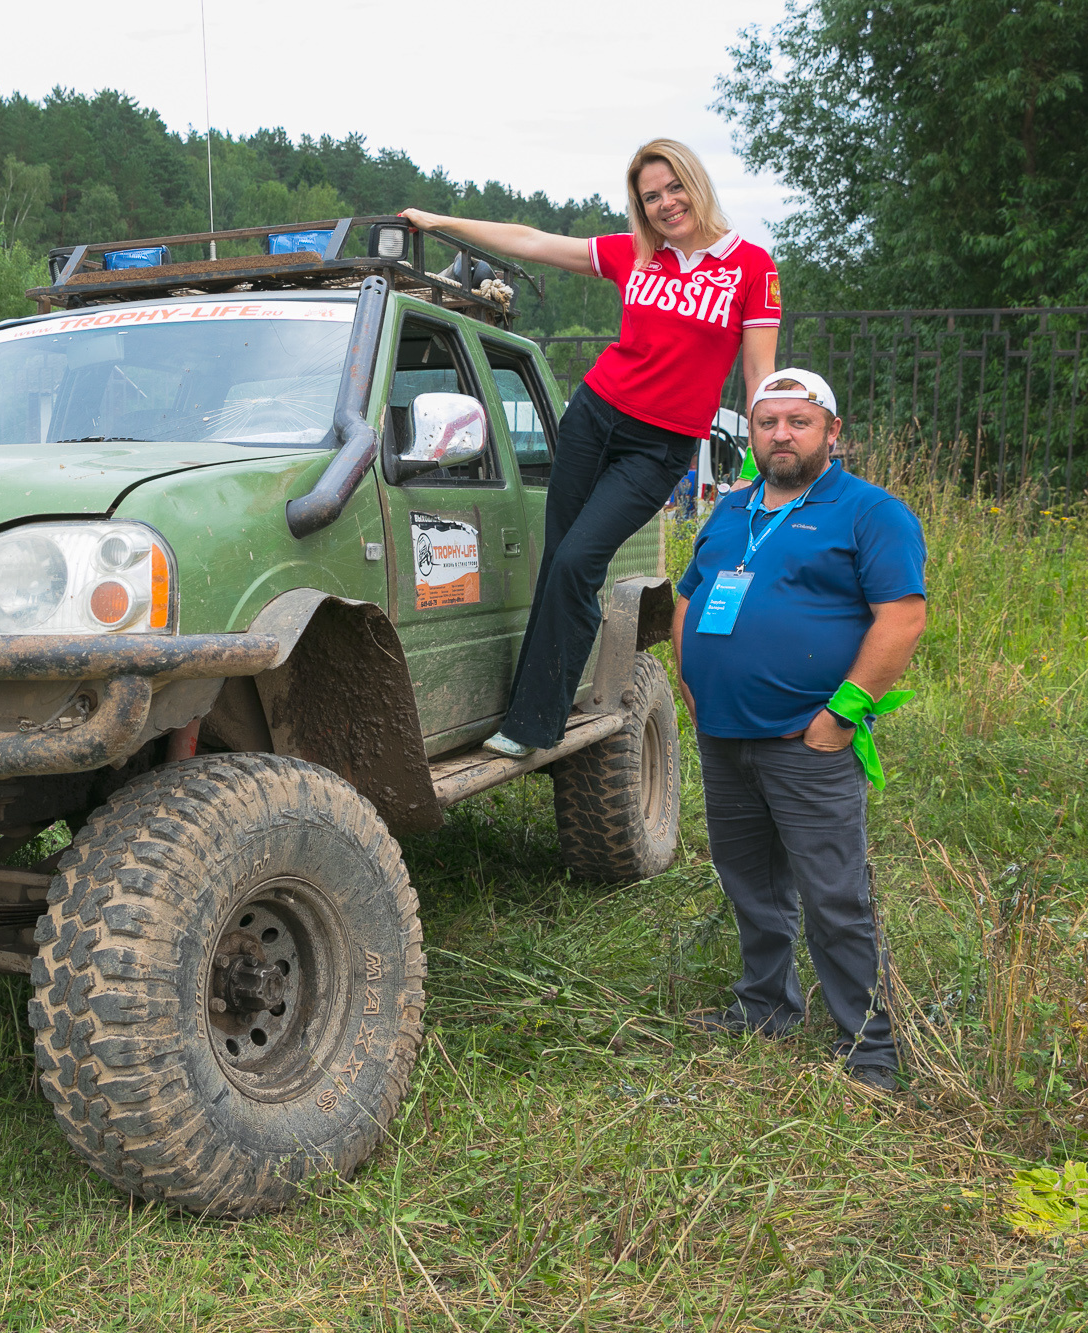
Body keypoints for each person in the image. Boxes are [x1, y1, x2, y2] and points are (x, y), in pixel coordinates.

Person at [401, 138, 779, 758]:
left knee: (580, 561)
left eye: (673, 188)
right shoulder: (636, 255)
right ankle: (526, 714)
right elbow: (533, 242)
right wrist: (442, 223)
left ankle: (534, 725)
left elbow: (759, 377)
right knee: (557, 562)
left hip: (659, 447)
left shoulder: (752, 267)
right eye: (650, 197)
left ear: (696, 183)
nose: (665, 204)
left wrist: (757, 467)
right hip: (593, 415)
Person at [669, 369, 928, 1091]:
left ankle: (870, 1050)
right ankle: (765, 1007)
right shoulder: (730, 510)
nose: (781, 434)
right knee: (750, 881)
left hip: (806, 740)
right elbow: (689, 598)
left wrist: (839, 716)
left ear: (832, 432)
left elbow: (902, 616)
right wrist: (693, 684)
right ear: (750, 433)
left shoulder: (869, 513)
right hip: (725, 736)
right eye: (768, 421)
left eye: (799, 421)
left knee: (834, 898)